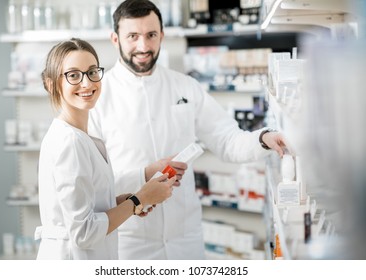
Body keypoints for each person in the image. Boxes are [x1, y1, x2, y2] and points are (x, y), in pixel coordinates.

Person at [88, 0, 287, 260]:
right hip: (129, 241)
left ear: (162, 35)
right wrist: (143, 175)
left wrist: (264, 138)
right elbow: (94, 185)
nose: (143, 46)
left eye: (151, 35)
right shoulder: (98, 97)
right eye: (133, 36)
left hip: (185, 238)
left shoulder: (185, 86)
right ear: (115, 39)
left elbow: (227, 140)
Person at [35, 38, 175, 260]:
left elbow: (82, 210)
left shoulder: (81, 137)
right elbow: (83, 232)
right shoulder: (69, 142)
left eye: (92, 72)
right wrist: (139, 200)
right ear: (52, 84)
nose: (87, 83)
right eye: (73, 75)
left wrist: (120, 203)